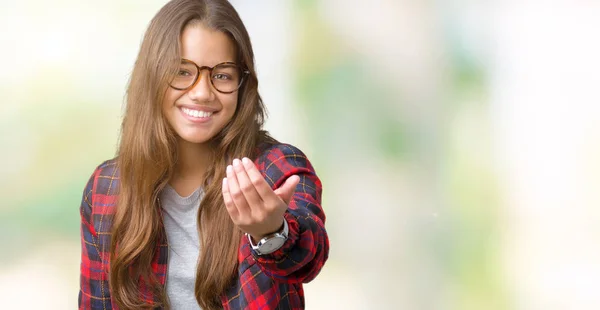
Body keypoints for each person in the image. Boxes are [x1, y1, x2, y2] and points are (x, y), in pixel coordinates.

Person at [77, 0, 329, 309]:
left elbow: (309, 258)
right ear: (153, 75)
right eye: (183, 72)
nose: (202, 92)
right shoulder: (106, 188)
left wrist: (271, 232)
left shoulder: (277, 169)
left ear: (242, 83)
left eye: (222, 75)